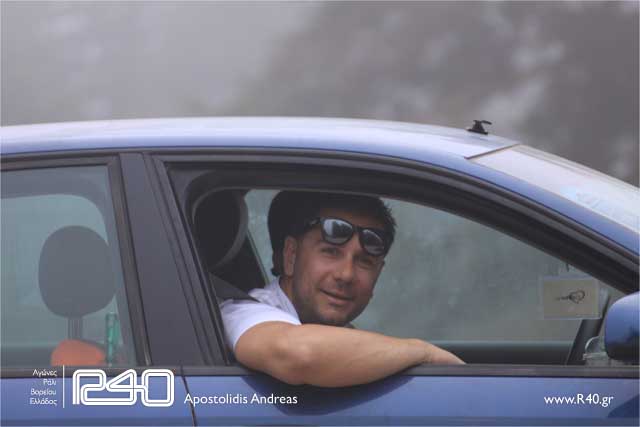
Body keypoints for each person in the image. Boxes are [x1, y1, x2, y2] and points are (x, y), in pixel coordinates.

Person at [220, 191, 463, 387]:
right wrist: (424, 352)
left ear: (378, 275)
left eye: (364, 261)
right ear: (291, 255)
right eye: (330, 252)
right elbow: (301, 355)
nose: (346, 274)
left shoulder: (347, 342)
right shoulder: (243, 313)